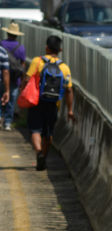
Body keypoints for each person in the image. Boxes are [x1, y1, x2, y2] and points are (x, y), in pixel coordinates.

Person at [22, 35, 73, 171]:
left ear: (46, 48)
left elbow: (27, 79)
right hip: (53, 104)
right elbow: (69, 90)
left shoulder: (37, 62)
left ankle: (38, 152)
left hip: (37, 101)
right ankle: (44, 157)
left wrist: (23, 93)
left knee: (35, 130)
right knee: (48, 133)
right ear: (60, 50)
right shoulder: (64, 68)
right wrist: (70, 110)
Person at [0, 22, 27, 131]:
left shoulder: (0, 44)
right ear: (17, 35)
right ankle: (8, 123)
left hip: (1, 76)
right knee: (11, 101)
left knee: (0, 99)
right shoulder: (21, 48)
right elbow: (23, 65)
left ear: (7, 33)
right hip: (15, 78)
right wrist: (23, 79)